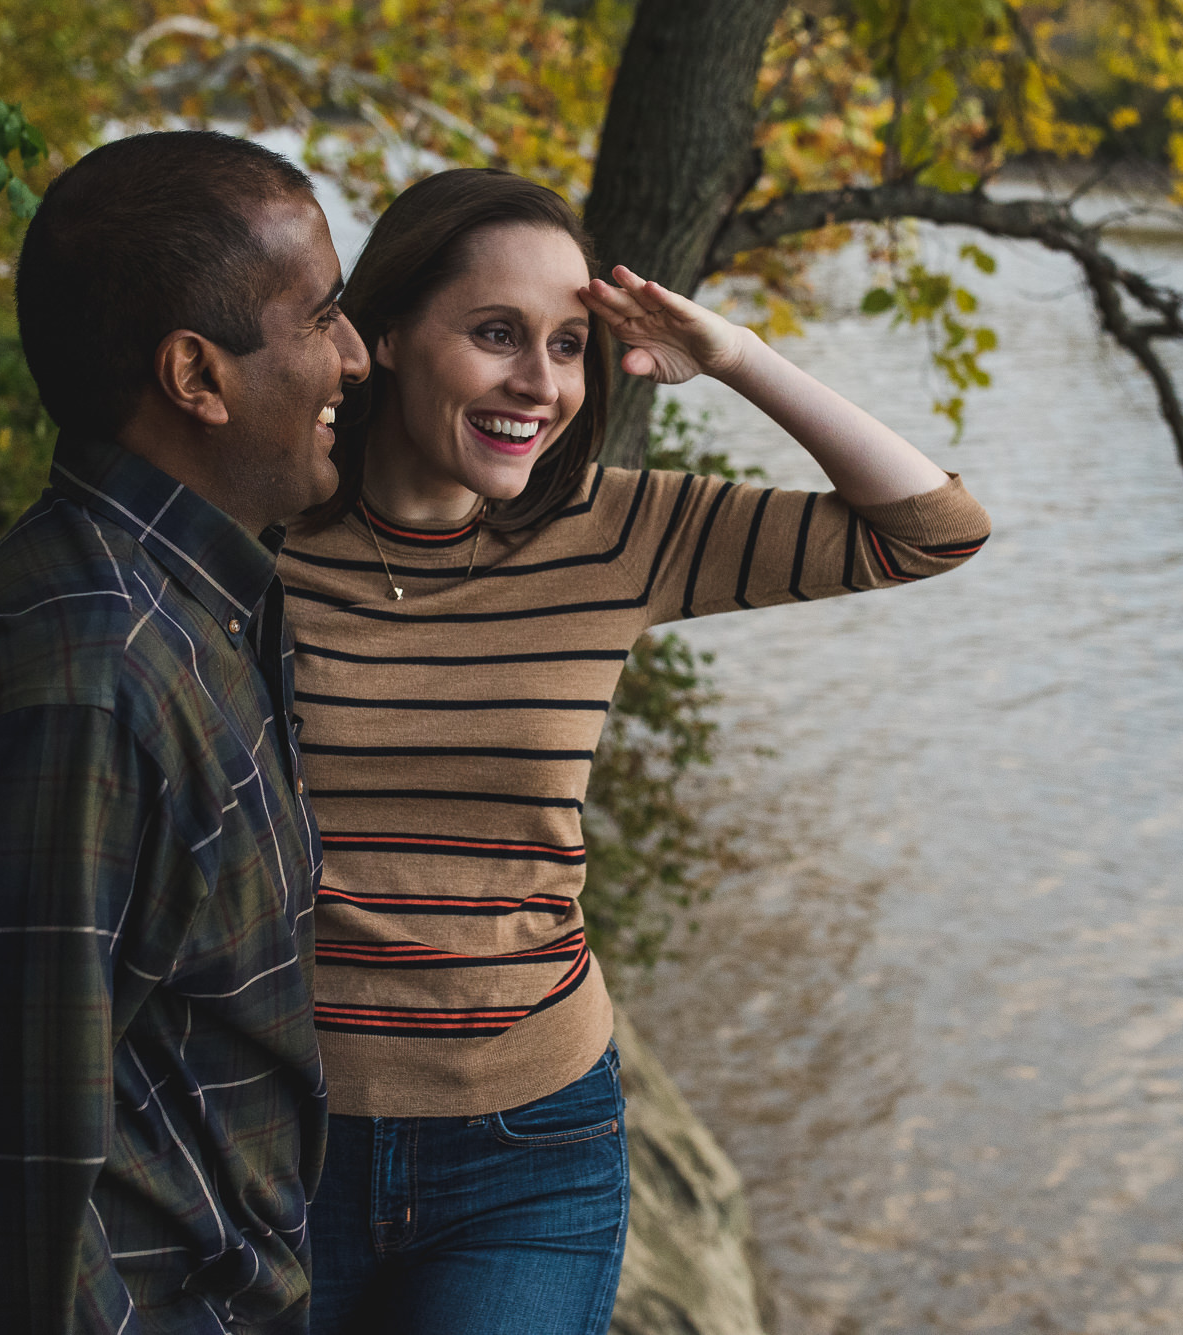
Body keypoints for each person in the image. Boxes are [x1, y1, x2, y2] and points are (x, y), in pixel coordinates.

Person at [280, 168, 992, 1334]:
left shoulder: (614, 533)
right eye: (497, 335)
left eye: (569, 346)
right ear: (391, 337)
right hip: (281, 1140)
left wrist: (736, 356)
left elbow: (930, 530)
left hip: (527, 1152)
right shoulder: (259, 537)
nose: (540, 385)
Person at [0, 129, 370, 1333]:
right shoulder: (83, 686)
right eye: (322, 317)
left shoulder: (191, 605)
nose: (354, 357)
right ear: (196, 376)